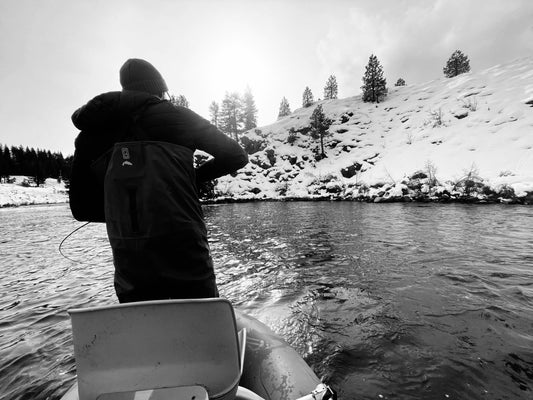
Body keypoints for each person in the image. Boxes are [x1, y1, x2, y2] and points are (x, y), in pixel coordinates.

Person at [70, 58, 248, 303]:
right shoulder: (180, 117)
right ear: (159, 88)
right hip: (187, 252)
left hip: (131, 264)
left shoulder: (90, 134)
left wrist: (127, 207)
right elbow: (236, 156)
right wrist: (191, 180)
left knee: (146, 329)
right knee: (202, 324)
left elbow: (81, 208)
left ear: (125, 89)